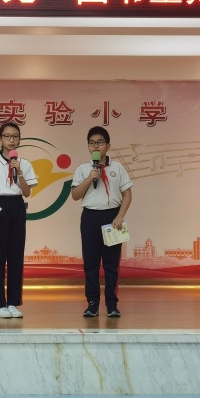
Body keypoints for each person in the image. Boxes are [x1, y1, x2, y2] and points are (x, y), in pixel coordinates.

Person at [71, 126, 133, 318]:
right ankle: (92, 304)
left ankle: (112, 304)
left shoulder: (118, 168)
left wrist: (120, 216)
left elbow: (127, 194)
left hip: (112, 218)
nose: (95, 146)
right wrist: (89, 178)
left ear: (108, 146)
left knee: (111, 264)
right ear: (88, 147)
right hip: (90, 217)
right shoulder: (83, 169)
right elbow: (75, 195)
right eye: (92, 143)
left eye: (100, 142)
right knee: (90, 264)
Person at [0, 123, 38, 318]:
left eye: (15, 136)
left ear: (19, 139)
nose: (11, 140)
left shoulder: (25, 164)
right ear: (0, 139)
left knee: (16, 256)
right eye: (7, 136)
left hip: (17, 205)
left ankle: (13, 302)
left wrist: (19, 171)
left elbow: (27, 192)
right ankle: (0, 304)